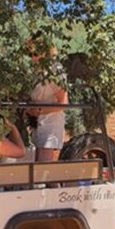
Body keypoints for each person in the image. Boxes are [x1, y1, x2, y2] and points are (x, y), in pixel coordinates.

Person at [27, 33, 68, 162]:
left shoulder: (55, 70)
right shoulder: (34, 70)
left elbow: (64, 103)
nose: (33, 58)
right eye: (30, 54)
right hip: (35, 124)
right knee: (38, 168)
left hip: (51, 123)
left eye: (36, 53)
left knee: (43, 168)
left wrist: (38, 111)